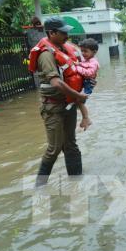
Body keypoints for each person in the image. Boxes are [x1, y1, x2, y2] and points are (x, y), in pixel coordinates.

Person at [28, 17, 88, 187]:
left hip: (68, 104)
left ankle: (77, 183)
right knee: (54, 149)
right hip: (53, 106)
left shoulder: (63, 49)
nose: (66, 36)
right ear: (51, 33)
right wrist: (78, 95)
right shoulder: (46, 54)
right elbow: (56, 82)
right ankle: (39, 187)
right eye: (63, 33)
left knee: (71, 145)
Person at [74, 38, 100, 129]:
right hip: (86, 83)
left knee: (80, 101)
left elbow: (88, 73)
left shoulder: (94, 62)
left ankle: (86, 118)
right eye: (82, 51)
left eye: (86, 51)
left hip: (88, 84)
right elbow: (83, 64)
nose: (83, 54)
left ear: (94, 52)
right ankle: (85, 119)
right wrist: (79, 64)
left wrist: (77, 68)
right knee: (78, 101)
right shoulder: (87, 60)